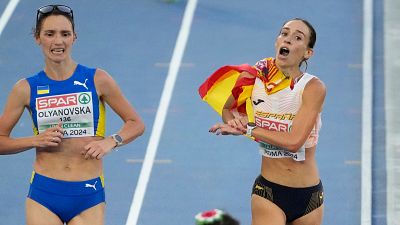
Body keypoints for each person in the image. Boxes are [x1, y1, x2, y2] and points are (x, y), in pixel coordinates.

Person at [0, 4, 145, 225]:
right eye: (50, 34)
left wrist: (111, 141)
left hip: (88, 194)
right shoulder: (25, 88)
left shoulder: (98, 79)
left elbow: (136, 123)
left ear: (74, 38)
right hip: (44, 194)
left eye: (65, 34)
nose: (58, 41)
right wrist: (34, 140)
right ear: (38, 38)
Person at [199, 18, 325, 225]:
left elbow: (294, 141)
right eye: (284, 33)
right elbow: (228, 108)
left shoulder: (313, 88)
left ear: (307, 53)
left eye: (297, 37)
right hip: (269, 192)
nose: (288, 39)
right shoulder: (254, 78)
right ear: (277, 42)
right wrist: (234, 124)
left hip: (309, 197)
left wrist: (248, 129)